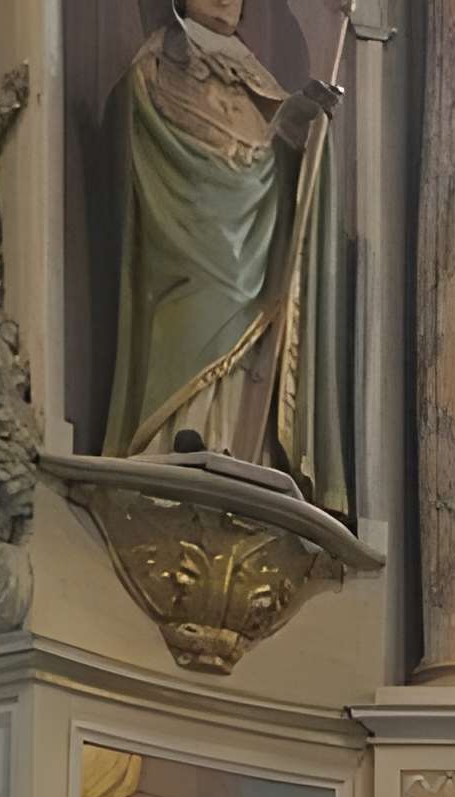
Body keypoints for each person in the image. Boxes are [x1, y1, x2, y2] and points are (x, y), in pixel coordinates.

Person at [102, 0, 352, 513]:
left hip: (256, 240)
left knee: (254, 326)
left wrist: (305, 127)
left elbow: (276, 157)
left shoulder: (256, 77)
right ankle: (178, 435)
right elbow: (150, 133)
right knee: (197, 310)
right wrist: (223, 174)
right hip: (187, 235)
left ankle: (239, 444)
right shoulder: (159, 63)